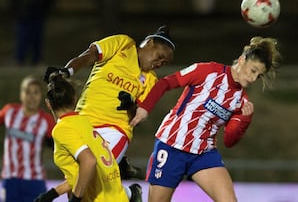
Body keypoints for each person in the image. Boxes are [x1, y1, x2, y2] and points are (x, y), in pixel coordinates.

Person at [130, 36, 282, 202]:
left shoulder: (241, 102)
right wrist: (145, 108)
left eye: (258, 76)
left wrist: (244, 121)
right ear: (241, 59)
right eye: (253, 70)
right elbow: (165, 83)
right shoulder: (207, 71)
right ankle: (131, 195)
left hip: (203, 153)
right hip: (172, 145)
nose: (253, 79)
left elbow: (229, 141)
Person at [43, 25, 176, 202]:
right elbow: (89, 55)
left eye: (164, 63)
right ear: (149, 43)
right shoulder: (123, 44)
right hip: (83, 122)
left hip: (114, 130)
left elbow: (138, 116)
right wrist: (67, 71)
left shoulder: (150, 79)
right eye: (160, 57)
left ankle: (127, 189)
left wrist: (130, 105)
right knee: (78, 180)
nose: (159, 63)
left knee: (89, 175)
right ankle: (128, 192)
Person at [34, 73, 128, 202]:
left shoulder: (62, 129)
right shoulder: (84, 122)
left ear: (48, 104)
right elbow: (80, 174)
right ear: (74, 99)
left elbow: (89, 161)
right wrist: (52, 194)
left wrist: (75, 199)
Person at [0, 75, 56, 202]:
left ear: (41, 96)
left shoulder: (46, 120)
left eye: (35, 92)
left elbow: (60, 144)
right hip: (10, 180)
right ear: (21, 95)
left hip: (35, 180)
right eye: (27, 92)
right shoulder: (9, 112)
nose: (31, 96)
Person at [8, 0, 55, 66]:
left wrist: (44, 8)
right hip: (23, 14)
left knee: (37, 39)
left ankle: (37, 60)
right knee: (22, 38)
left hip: (38, 14)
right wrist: (17, 9)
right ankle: (19, 60)